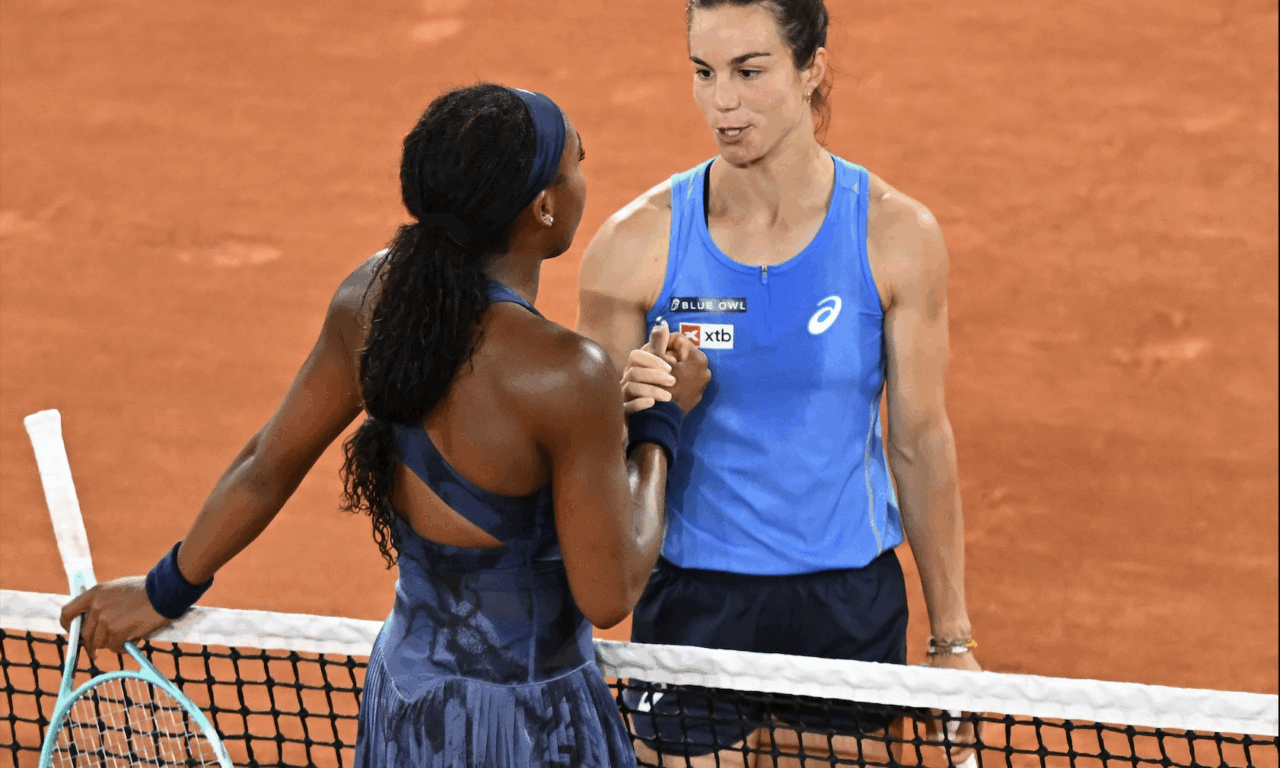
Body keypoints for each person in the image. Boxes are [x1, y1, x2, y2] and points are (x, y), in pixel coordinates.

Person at [57, 83, 711, 768]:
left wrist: (165, 588)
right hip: (531, 724)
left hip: (407, 704)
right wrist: (660, 425)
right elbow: (609, 593)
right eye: (577, 162)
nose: (584, 174)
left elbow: (266, 465)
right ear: (544, 207)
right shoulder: (564, 373)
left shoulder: (370, 299)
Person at [575, 1, 980, 765]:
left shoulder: (895, 237)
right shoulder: (633, 247)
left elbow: (920, 443)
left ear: (811, 68)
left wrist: (952, 638)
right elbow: (585, 459)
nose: (722, 101)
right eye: (704, 72)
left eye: (750, 72)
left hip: (842, 610)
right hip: (691, 605)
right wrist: (634, 407)